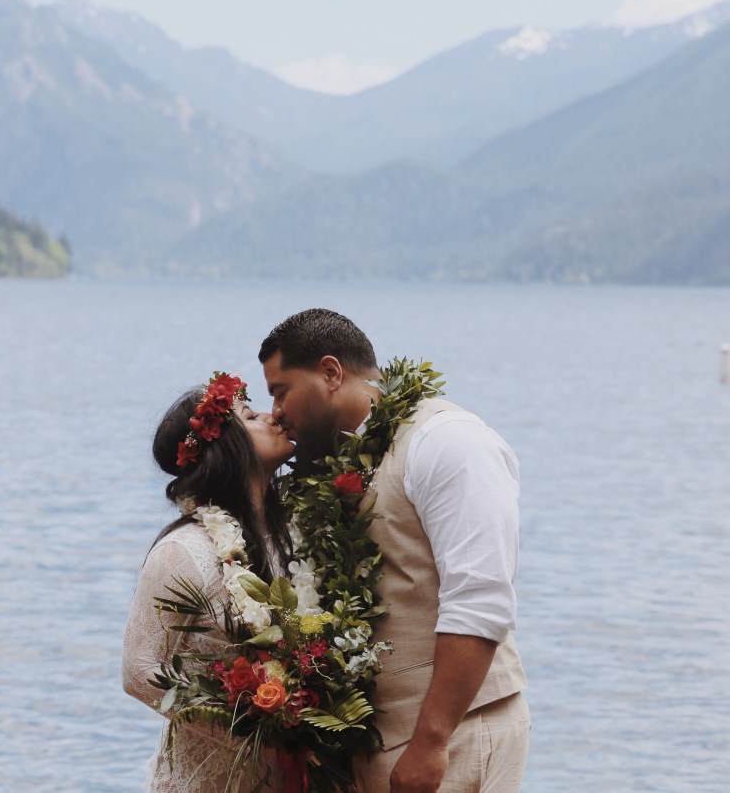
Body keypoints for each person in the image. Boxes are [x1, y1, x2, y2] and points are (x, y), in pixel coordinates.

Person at [259, 309, 530, 793]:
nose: (276, 410)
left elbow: (481, 599)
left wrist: (431, 741)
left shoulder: (447, 441)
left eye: (280, 391)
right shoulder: (337, 463)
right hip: (380, 746)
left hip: (453, 738)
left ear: (330, 373)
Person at [121, 373, 295, 792]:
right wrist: (250, 734)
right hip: (216, 775)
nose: (273, 417)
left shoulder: (291, 532)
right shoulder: (184, 551)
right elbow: (139, 671)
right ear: (226, 446)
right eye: (251, 415)